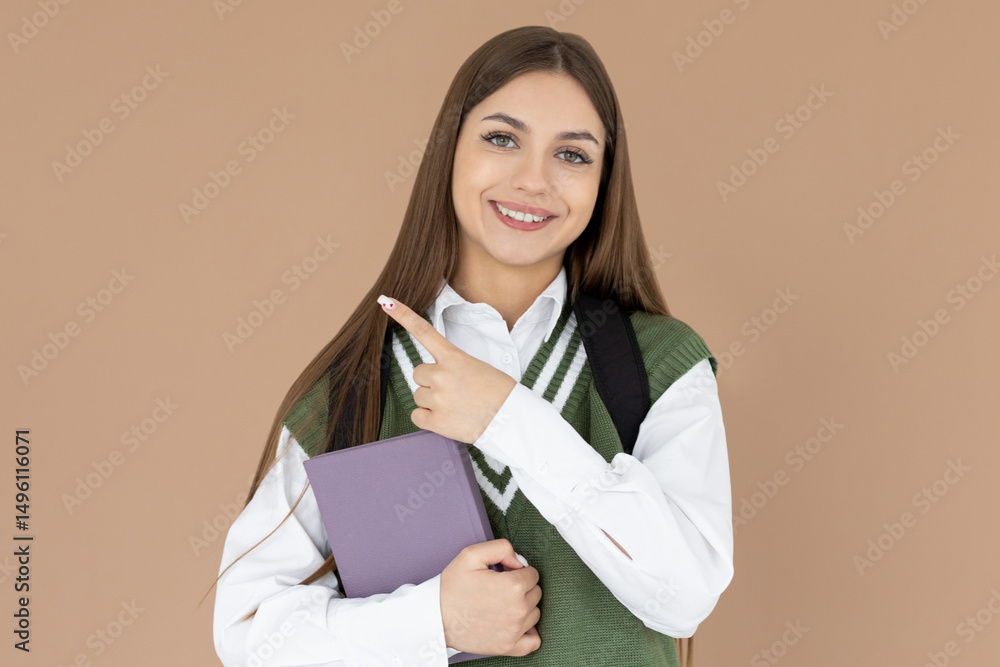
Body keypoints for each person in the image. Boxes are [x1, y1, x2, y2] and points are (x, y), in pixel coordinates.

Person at [208, 25, 733, 667]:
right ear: (448, 152)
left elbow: (686, 596)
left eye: (572, 154)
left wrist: (506, 417)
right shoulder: (357, 381)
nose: (533, 180)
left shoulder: (659, 366)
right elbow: (247, 633)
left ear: (604, 182)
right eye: (502, 139)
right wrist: (436, 621)